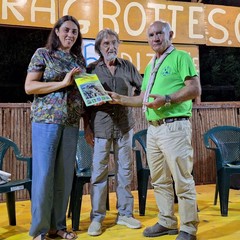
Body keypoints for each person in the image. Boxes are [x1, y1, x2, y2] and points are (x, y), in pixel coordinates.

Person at [108, 20, 201, 240]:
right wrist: (119, 99)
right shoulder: (150, 65)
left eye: (160, 33)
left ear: (171, 34)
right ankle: (167, 222)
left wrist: (167, 99)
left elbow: (194, 88)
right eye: (151, 35)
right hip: (154, 130)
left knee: (182, 179)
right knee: (159, 179)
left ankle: (188, 228)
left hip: (174, 126)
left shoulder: (181, 57)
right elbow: (143, 98)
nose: (155, 38)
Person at [24, 15, 86, 240]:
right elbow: (30, 87)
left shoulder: (79, 61)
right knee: (44, 176)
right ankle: (39, 230)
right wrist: (62, 83)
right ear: (57, 31)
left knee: (64, 177)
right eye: (67, 30)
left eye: (75, 32)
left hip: (70, 123)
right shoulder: (43, 54)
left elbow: (83, 91)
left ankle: (57, 227)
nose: (70, 35)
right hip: (46, 122)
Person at [84, 28, 142, 236]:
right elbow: (85, 105)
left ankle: (125, 214)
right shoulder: (91, 70)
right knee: (99, 174)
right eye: (106, 43)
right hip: (100, 127)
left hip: (125, 126)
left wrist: (133, 97)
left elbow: (143, 87)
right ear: (99, 48)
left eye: (114, 42)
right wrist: (87, 128)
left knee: (125, 172)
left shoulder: (128, 67)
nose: (111, 47)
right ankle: (97, 218)